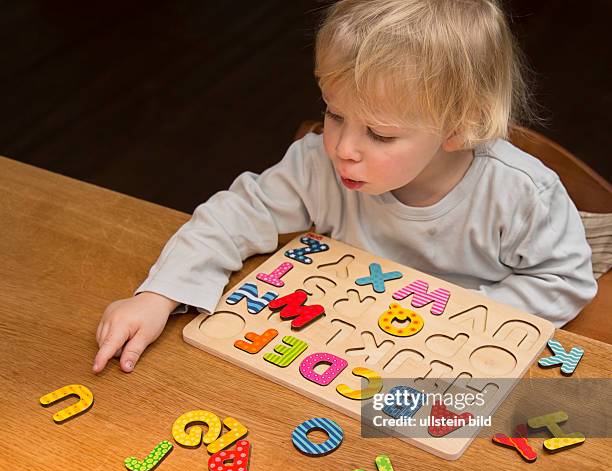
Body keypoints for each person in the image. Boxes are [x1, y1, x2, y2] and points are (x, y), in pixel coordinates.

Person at [93, 0, 597, 374]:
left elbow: (566, 280)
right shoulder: (319, 163)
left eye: (379, 134)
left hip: (449, 363)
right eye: (334, 113)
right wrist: (160, 293)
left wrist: (456, 327)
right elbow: (236, 215)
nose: (343, 148)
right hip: (338, 352)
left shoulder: (521, 193)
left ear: (460, 127)